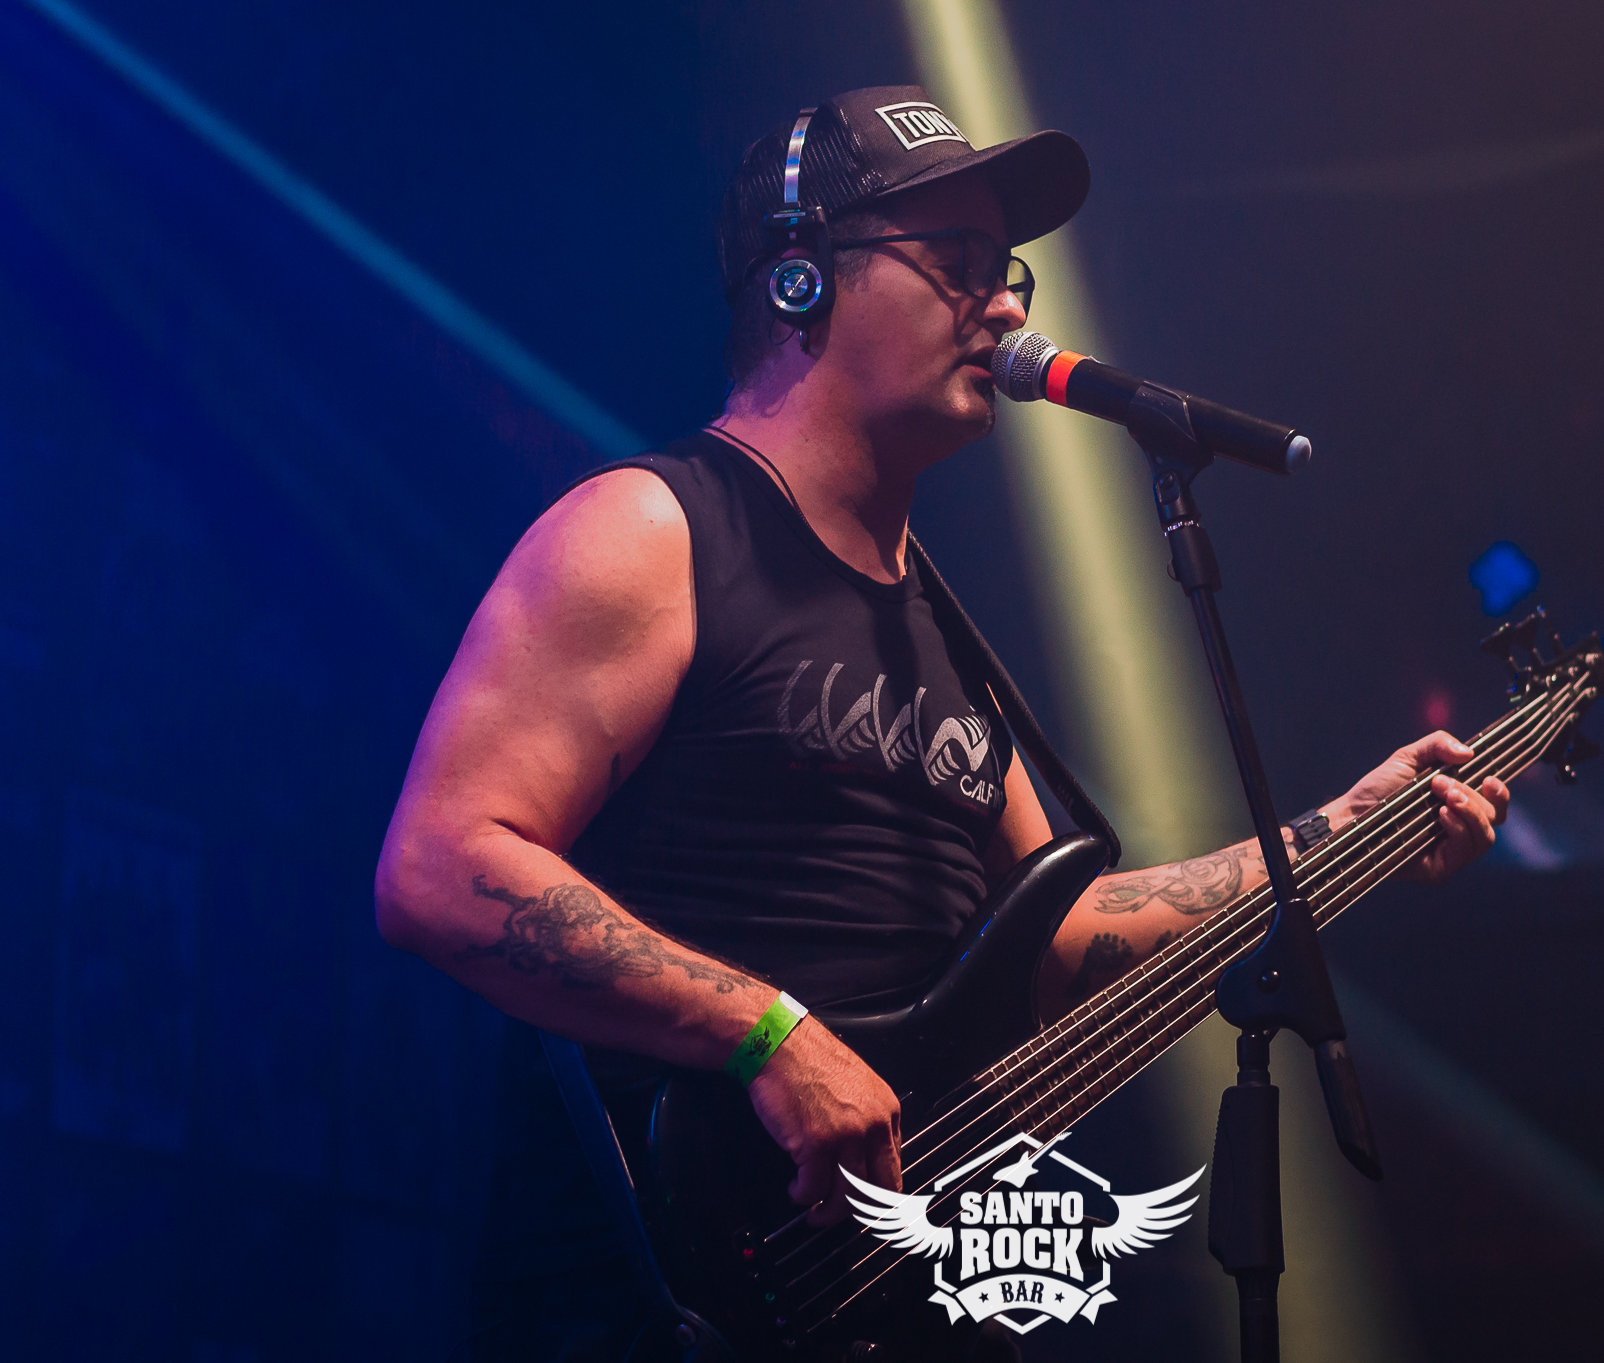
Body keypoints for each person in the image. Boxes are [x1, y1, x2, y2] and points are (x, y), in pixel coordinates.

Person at [374, 86, 1509, 1362]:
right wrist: (766, 1032)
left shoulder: (946, 638)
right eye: (956, 260)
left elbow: (1062, 942)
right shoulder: (651, 532)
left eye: (1004, 269)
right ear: (800, 279)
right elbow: (440, 865)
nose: (1008, 306)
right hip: (653, 1306)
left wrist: (1331, 834)